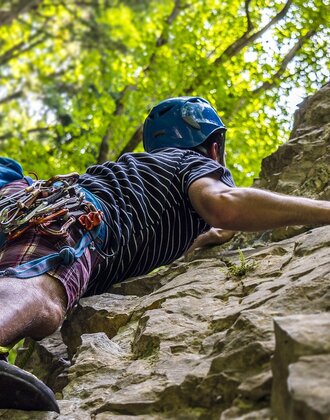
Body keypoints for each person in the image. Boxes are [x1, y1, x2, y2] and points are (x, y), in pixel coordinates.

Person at [0, 96, 329, 412]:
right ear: (214, 148)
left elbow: (183, 232)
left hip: (20, 208)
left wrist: (210, 237)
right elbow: (223, 205)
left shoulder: (145, 181)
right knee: (43, 298)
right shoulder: (194, 163)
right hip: (71, 218)